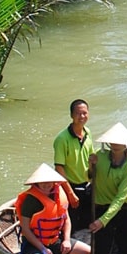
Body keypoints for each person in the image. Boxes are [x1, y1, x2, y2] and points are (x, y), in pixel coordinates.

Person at [15, 163, 91, 254]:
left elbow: (66, 219)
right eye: (42, 182)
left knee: (88, 253)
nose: (46, 185)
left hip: (55, 240)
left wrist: (66, 240)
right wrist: (44, 250)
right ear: (36, 183)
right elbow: (25, 229)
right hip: (34, 244)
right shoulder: (30, 200)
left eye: (49, 181)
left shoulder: (59, 193)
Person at [89, 122, 127, 254]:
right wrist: (90, 165)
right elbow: (89, 177)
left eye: (120, 141)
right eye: (113, 141)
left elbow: (120, 198)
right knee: (101, 249)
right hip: (101, 205)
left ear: (126, 145)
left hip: (122, 208)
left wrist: (102, 221)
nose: (116, 144)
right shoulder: (100, 156)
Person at [53, 98, 93, 231]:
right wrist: (70, 194)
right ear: (71, 115)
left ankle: (87, 250)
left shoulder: (87, 133)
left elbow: (91, 159)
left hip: (87, 186)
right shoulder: (62, 139)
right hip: (71, 187)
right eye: (78, 113)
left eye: (85, 113)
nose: (82, 116)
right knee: (73, 225)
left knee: (88, 223)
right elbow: (59, 168)